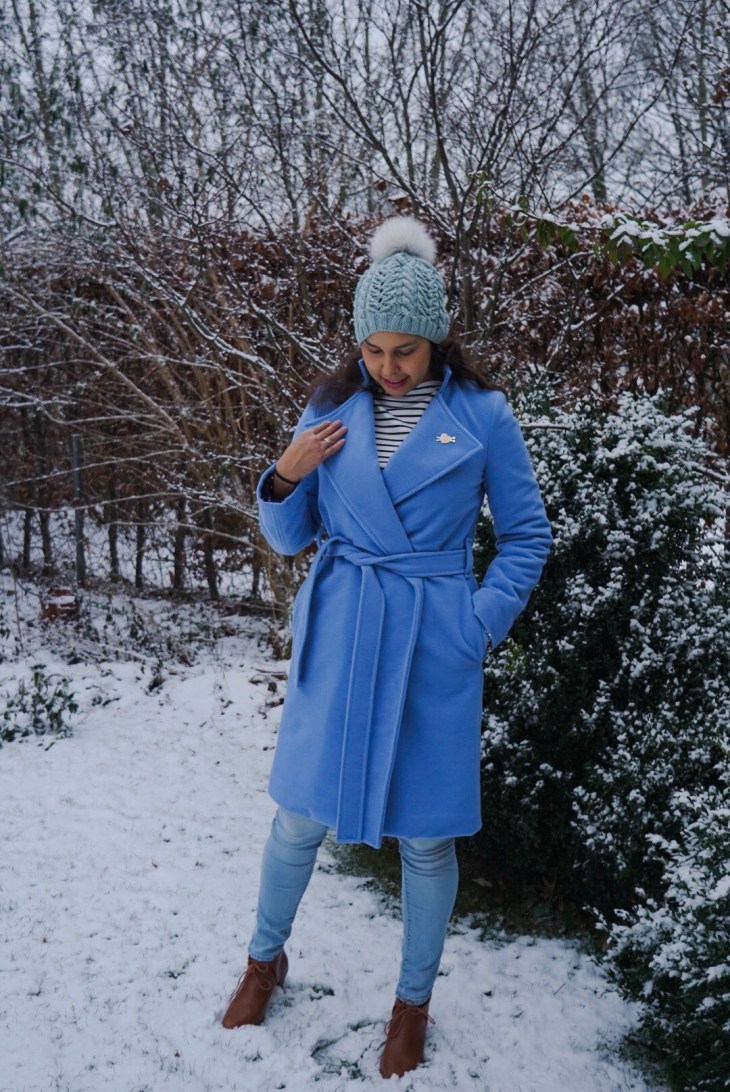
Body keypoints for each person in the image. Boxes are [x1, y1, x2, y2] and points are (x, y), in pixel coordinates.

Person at [221, 216, 553, 1078]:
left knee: (428, 837)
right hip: (343, 627)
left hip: (432, 640)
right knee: (298, 814)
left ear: (436, 339)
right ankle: (263, 961)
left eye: (404, 351)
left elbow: (527, 536)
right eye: (372, 350)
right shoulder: (331, 409)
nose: (387, 367)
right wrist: (286, 472)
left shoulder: (482, 415)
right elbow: (288, 535)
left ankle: (412, 1004)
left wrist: (477, 624)